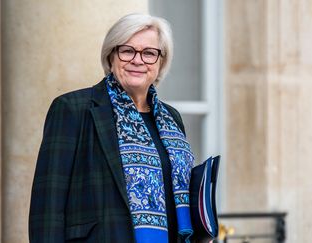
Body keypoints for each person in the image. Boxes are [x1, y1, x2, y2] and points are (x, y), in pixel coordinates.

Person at [29, 13, 195, 243]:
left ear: (160, 62)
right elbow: (47, 208)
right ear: (111, 56)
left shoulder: (171, 119)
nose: (138, 60)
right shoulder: (73, 109)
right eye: (127, 50)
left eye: (149, 53)